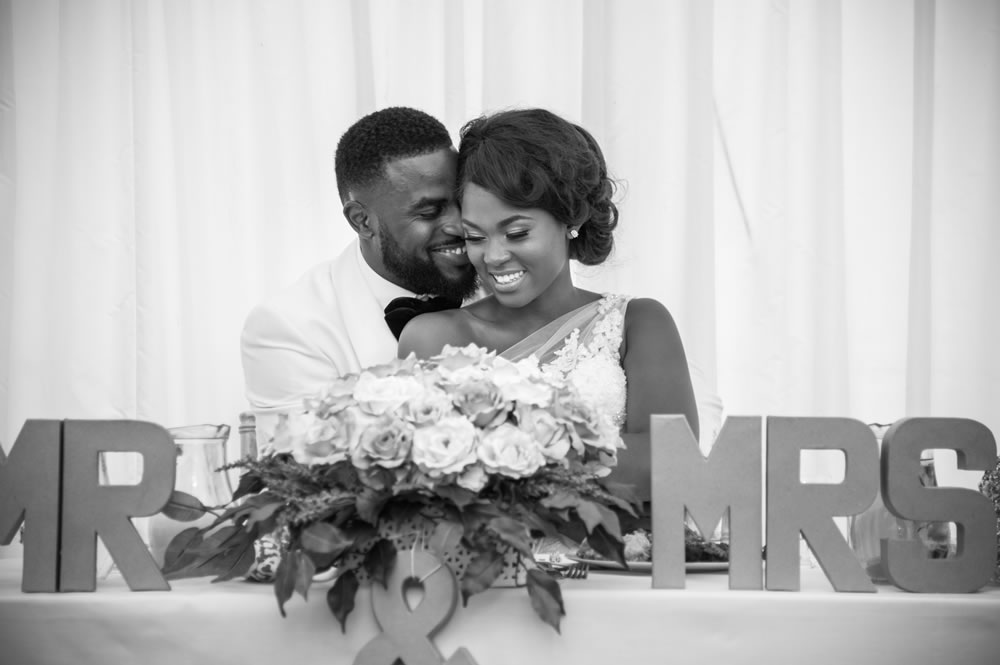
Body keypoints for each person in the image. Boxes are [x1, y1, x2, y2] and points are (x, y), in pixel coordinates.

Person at [398, 108, 702, 500]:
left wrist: (502, 460)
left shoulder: (638, 324)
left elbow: (675, 465)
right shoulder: (434, 337)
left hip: (619, 559)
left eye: (517, 232)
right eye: (475, 237)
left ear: (570, 217)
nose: (493, 257)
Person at [241, 107, 479, 445]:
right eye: (429, 212)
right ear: (361, 221)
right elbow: (311, 476)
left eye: (461, 202)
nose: (459, 226)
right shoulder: (288, 328)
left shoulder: (508, 282)